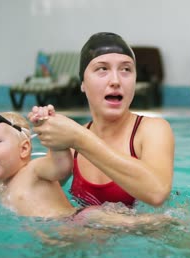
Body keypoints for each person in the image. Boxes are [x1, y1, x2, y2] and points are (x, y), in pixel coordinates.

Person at [28, 32, 175, 207]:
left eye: (126, 69)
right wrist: (54, 142)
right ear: (82, 82)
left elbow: (157, 193)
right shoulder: (71, 143)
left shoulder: (152, 130)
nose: (115, 80)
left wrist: (78, 138)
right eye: (102, 69)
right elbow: (35, 192)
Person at [0, 111, 172, 227]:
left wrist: (54, 137)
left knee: (140, 226)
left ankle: (168, 223)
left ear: (24, 148)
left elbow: (62, 166)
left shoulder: (34, 171)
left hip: (80, 218)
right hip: (57, 233)